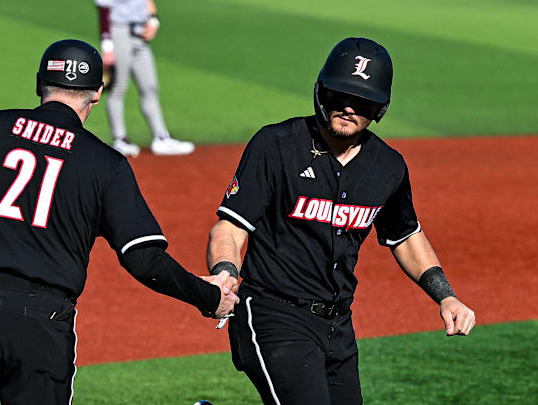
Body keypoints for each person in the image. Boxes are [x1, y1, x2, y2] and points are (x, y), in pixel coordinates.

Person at [0, 39, 237, 405]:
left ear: (39, 84)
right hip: (42, 323)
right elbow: (143, 258)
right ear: (97, 93)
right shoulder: (105, 164)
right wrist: (209, 297)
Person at [204, 37, 476, 404]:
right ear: (321, 92)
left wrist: (446, 297)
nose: (349, 108)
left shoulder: (387, 167)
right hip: (272, 314)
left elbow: (406, 237)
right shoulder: (277, 145)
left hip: (338, 325)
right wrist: (226, 272)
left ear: (380, 107)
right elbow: (231, 226)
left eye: (363, 101)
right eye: (339, 95)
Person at [95, 0, 194, 157]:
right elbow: (103, 7)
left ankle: (161, 137)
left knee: (150, 86)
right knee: (118, 87)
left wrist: (153, 20)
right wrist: (107, 45)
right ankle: (120, 139)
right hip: (119, 31)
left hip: (140, 33)